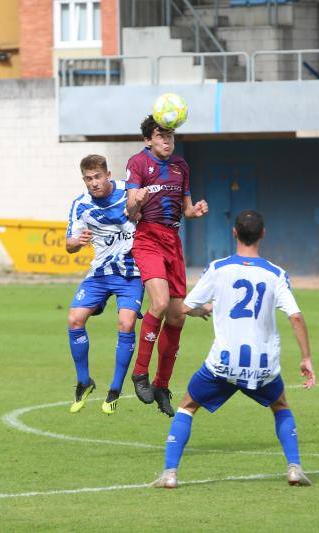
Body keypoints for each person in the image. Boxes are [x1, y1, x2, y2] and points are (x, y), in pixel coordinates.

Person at [151, 210, 315, 489]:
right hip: (262, 364)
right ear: (263, 234)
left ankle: (169, 474)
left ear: (234, 233)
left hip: (223, 364)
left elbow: (185, 307)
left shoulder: (218, 268)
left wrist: (205, 308)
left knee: (187, 406)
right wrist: (306, 358)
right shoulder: (276, 274)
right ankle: (294, 468)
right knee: (280, 406)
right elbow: (296, 316)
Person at [125, 115, 209, 417]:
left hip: (173, 241)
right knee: (159, 303)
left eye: (170, 137)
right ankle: (139, 373)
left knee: (177, 318)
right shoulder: (137, 163)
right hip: (147, 237)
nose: (166, 141)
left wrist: (195, 211)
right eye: (161, 136)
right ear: (148, 139)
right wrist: (139, 200)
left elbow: (185, 209)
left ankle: (161, 384)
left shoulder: (180, 166)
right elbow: (130, 210)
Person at [65, 154, 148, 415]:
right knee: (74, 319)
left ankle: (114, 389)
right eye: (88, 179)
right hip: (100, 273)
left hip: (131, 273)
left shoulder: (128, 192)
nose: (94, 183)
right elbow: (68, 244)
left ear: (108, 174)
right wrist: (77, 242)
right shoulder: (81, 205)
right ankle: (84, 381)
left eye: (98, 177)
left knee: (125, 323)